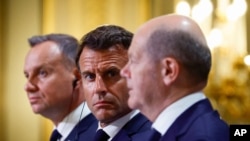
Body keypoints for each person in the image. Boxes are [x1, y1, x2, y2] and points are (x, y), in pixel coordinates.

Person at [121, 14, 229, 141]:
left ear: (168, 71)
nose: (124, 72)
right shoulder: (171, 130)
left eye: (133, 60)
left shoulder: (201, 137)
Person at [76, 25, 151, 141]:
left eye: (111, 74)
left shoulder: (159, 136)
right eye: (90, 76)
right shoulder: (79, 136)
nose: (98, 88)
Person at [23, 33, 98, 141]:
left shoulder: (102, 134)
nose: (28, 87)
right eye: (27, 75)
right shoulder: (61, 135)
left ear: (78, 77)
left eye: (42, 73)